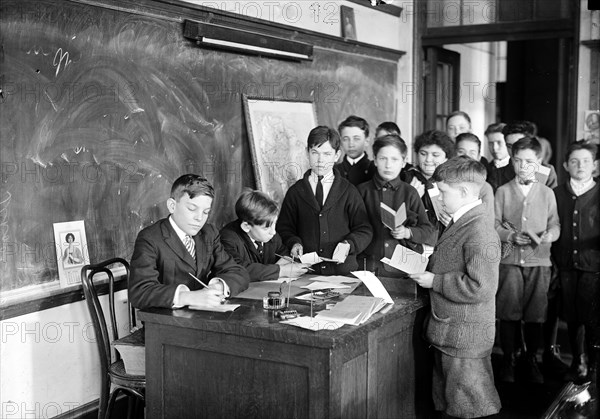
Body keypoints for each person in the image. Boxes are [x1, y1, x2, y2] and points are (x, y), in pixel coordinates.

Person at [409, 157, 501, 418]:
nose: (439, 199)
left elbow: (481, 287)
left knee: (471, 406)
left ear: (463, 192)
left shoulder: (479, 229)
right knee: (453, 403)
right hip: (452, 330)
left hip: (465, 336)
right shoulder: (462, 219)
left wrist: (434, 281)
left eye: (443, 193)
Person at [129, 174, 249, 310]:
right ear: (172, 206)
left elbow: (238, 272)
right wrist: (188, 296)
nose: (199, 218)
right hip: (166, 322)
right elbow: (139, 292)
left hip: (204, 316)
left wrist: (219, 286)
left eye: (206, 212)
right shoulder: (150, 238)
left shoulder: (209, 233)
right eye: (192, 209)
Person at [495, 136, 560, 384]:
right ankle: (509, 359)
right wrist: (510, 235)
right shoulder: (502, 191)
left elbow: (555, 223)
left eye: (530, 162)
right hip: (510, 262)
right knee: (509, 311)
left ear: (539, 162)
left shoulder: (546, 193)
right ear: (512, 161)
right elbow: (493, 224)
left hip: (539, 263)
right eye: (518, 161)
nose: (524, 167)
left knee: (535, 314)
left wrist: (550, 236)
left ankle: (531, 358)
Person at [277, 125, 372, 276]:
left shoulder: (349, 191)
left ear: (336, 155)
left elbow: (364, 229)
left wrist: (349, 244)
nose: (320, 160)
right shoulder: (296, 192)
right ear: (307, 153)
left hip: (343, 274)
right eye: (315, 153)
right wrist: (293, 242)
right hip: (307, 273)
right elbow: (284, 228)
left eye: (327, 154)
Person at [552, 141, 599, 382]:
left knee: (592, 319)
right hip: (566, 265)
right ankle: (576, 360)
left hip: (593, 268)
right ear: (565, 165)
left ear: (595, 166)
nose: (580, 166)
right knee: (571, 316)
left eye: (586, 161)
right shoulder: (557, 193)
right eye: (574, 161)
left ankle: (592, 365)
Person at [357, 135, 436, 275]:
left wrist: (407, 232)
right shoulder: (361, 191)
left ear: (404, 162)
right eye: (383, 159)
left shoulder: (410, 192)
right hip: (369, 265)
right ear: (374, 160)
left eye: (394, 159)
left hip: (403, 268)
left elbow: (427, 229)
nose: (388, 165)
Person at [220, 189, 311, 281]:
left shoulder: (270, 235)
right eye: (266, 228)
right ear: (246, 226)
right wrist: (281, 271)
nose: (273, 232)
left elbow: (282, 251)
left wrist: (288, 258)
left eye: (274, 224)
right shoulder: (228, 238)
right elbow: (236, 269)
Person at [402, 130, 455, 237]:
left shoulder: (453, 184)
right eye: (423, 154)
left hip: (441, 243)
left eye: (435, 155)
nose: (428, 160)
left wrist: (454, 222)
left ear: (446, 158)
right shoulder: (405, 178)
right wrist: (411, 198)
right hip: (410, 242)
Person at [455, 133, 495, 223]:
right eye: (461, 151)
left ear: (479, 157)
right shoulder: (443, 181)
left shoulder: (485, 188)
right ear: (454, 154)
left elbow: (488, 223)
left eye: (472, 153)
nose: (466, 156)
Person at [334, 115, 376, 186]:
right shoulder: (335, 171)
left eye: (356, 139)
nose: (351, 144)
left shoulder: (374, 170)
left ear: (367, 141)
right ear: (340, 141)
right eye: (346, 139)